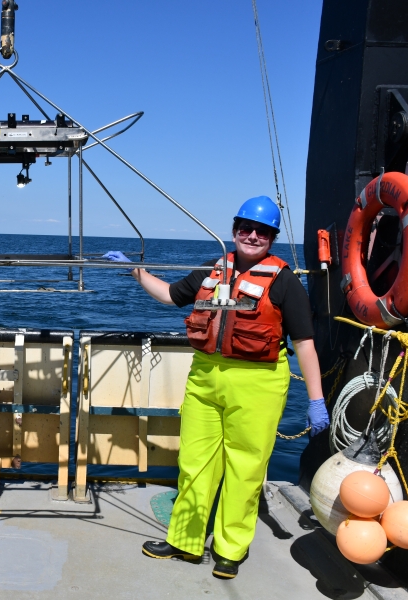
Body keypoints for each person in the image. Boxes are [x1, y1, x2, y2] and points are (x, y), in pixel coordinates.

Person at [104, 195, 329, 579]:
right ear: (235, 229)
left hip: (257, 383)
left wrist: (316, 399)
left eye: (262, 231)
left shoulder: (284, 281)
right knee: (194, 462)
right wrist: (136, 271)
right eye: (246, 228)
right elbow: (172, 295)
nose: (252, 236)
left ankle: (229, 550)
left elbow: (304, 342)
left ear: (272, 237)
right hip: (205, 377)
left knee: (245, 468)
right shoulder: (214, 268)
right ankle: (184, 541)